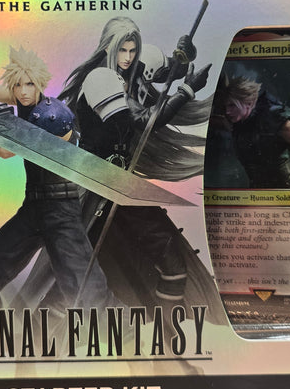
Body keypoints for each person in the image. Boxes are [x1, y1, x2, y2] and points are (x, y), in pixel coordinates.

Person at [58, 16, 217, 308]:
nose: (128, 58)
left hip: (121, 185)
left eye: (132, 50)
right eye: (122, 50)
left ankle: (165, 325)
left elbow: (174, 67)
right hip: (96, 189)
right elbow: (143, 121)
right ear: (108, 47)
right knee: (79, 278)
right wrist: (187, 91)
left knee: (170, 264)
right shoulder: (99, 79)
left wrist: (187, 52)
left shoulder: (136, 63)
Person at [0, 46, 110, 313]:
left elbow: (4, 152)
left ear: (39, 83)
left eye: (29, 84)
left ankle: (125, 334)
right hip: (32, 208)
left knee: (89, 297)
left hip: (61, 211)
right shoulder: (24, 99)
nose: (22, 92)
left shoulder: (52, 115)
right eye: (18, 84)